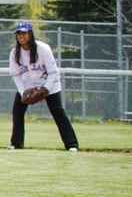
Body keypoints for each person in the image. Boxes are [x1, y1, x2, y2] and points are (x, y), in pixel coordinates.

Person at [8, 20, 79, 151]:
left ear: (30, 34)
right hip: (28, 85)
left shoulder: (42, 49)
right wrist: (23, 92)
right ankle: (16, 144)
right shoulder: (15, 53)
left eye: (24, 33)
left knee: (58, 112)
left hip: (50, 84)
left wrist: (45, 89)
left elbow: (53, 72)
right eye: (18, 33)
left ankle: (72, 144)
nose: (21, 36)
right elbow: (16, 75)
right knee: (17, 111)